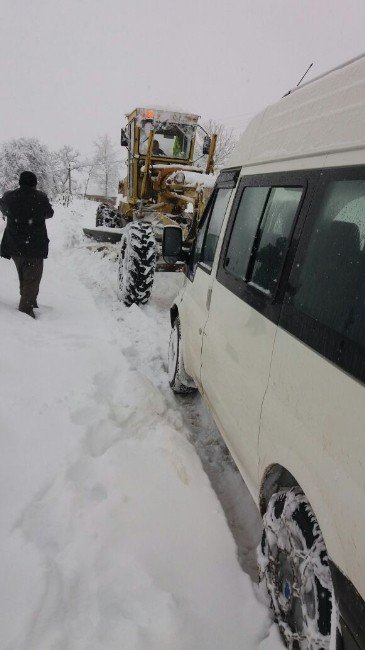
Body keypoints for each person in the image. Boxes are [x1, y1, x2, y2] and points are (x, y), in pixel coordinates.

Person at [0, 171, 54, 318]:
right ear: (34, 183)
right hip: (34, 246)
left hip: (14, 245)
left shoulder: (9, 196)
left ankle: (29, 301)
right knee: (32, 279)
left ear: (20, 182)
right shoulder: (40, 197)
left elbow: (2, 207)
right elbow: (49, 213)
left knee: (24, 277)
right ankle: (25, 314)